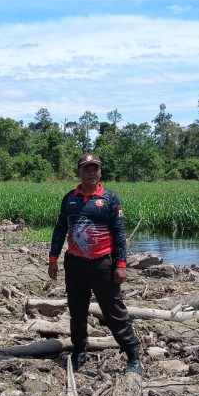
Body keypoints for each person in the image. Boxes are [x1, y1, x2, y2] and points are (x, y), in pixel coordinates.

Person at [48, 153, 144, 376]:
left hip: (103, 265)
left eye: (95, 168)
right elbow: (60, 229)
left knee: (114, 312)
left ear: (100, 172)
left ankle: (133, 356)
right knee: (77, 310)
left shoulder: (111, 199)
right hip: (75, 264)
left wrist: (121, 264)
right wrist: (53, 259)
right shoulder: (69, 198)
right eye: (86, 168)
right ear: (79, 172)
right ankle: (80, 352)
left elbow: (119, 233)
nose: (91, 172)